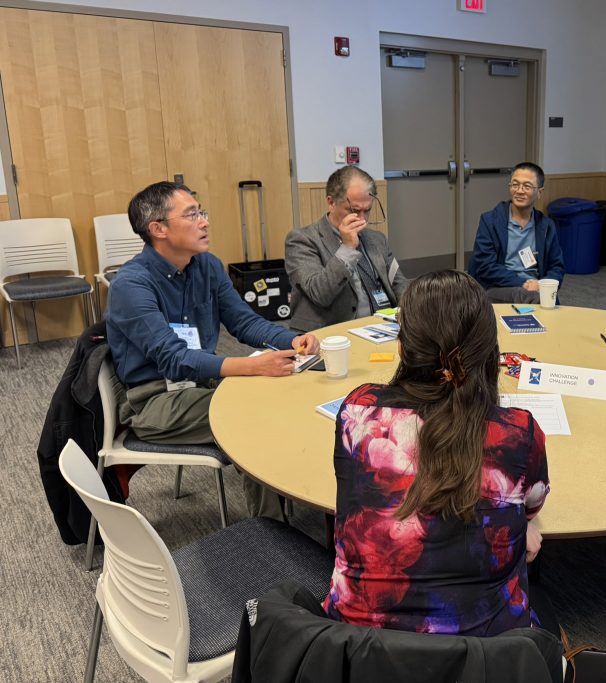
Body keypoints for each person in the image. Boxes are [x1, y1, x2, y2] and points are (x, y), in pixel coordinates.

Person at [322, 270, 552, 636]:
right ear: (490, 349)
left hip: (357, 648)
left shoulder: (357, 412)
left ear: (402, 346)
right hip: (485, 656)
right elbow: (531, 507)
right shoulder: (518, 433)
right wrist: (523, 526)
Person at [106, 181, 319, 517]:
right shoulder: (132, 285)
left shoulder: (207, 265)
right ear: (158, 229)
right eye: (192, 215)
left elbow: (244, 323)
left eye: (201, 212)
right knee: (251, 417)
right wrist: (253, 367)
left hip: (201, 385)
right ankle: (272, 533)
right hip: (154, 401)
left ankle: (310, 500)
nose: (204, 221)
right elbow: (174, 359)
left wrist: (290, 340)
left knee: (288, 392)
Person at [285, 165, 408, 332]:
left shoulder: (376, 239)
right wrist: (347, 248)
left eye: (367, 210)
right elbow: (319, 294)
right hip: (329, 334)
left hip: (381, 328)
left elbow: (399, 283)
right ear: (331, 202)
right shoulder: (302, 240)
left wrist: (410, 312)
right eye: (354, 210)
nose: (362, 220)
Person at [468, 162, 565, 304]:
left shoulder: (546, 226)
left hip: (535, 287)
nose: (519, 191)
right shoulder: (490, 221)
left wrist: (542, 284)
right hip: (498, 287)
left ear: (539, 192)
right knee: (535, 298)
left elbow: (557, 266)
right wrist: (524, 283)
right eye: (515, 184)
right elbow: (485, 266)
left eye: (527, 186)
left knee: (548, 299)